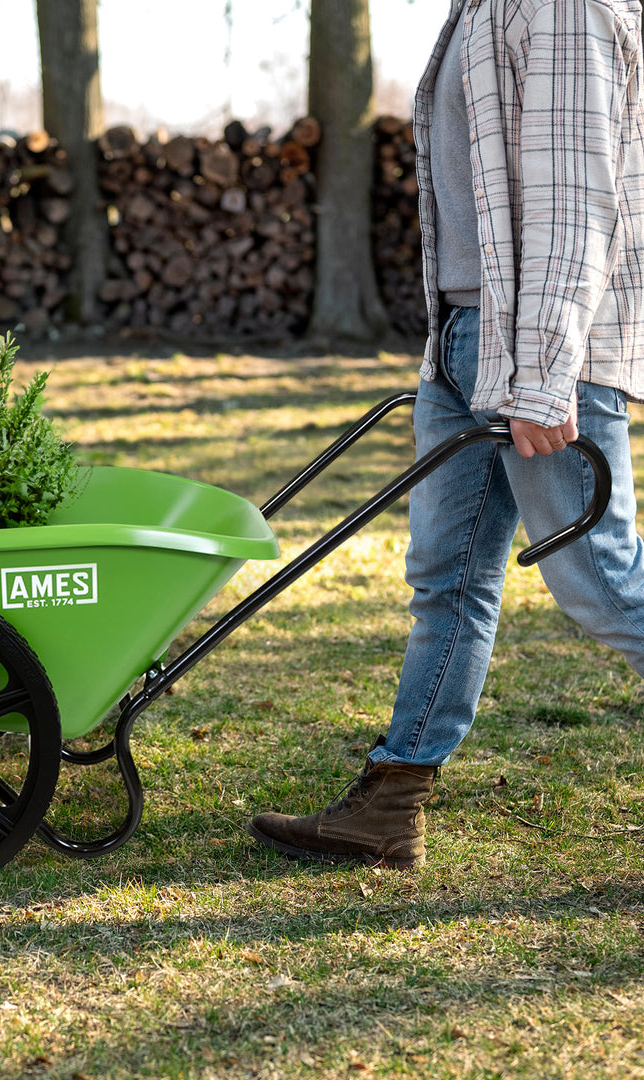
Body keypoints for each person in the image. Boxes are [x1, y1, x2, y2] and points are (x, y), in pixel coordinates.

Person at [249, 0, 644, 869]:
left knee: (605, 590)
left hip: (539, 353)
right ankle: (391, 804)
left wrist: (540, 373)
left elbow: (576, 198)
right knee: (446, 578)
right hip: (464, 339)